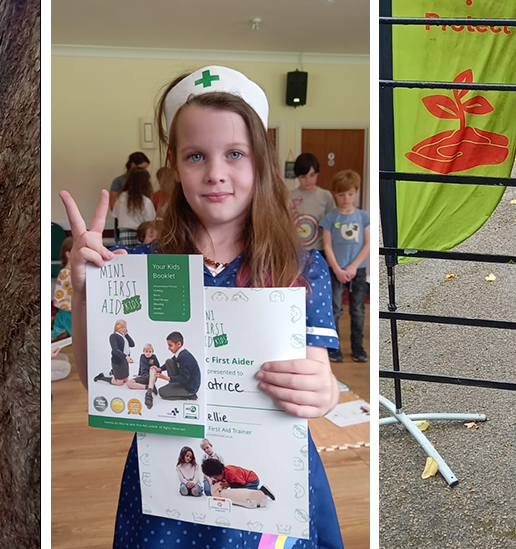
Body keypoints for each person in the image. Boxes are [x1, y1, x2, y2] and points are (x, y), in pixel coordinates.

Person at [60, 64, 343, 548]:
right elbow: (99, 380)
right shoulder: (143, 265)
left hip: (268, 467)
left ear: (261, 160)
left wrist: (327, 391)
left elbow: (317, 376)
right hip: (168, 474)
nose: (215, 173)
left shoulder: (299, 265)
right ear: (173, 163)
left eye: (235, 153)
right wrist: (86, 289)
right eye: (196, 156)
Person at [319, 169, 370, 363]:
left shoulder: (364, 217)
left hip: (357, 270)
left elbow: (368, 244)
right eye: (341, 194)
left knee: (357, 310)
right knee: (335, 309)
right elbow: (327, 246)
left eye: (350, 193)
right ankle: (334, 348)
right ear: (334, 194)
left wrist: (353, 267)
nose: (346, 198)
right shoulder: (330, 219)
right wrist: (338, 270)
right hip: (335, 271)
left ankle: (358, 348)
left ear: (356, 192)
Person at [289, 152, 336, 257]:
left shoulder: (325, 196)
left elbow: (332, 225)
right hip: (295, 251)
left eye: (312, 175)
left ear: (317, 173)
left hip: (319, 251)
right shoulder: (289, 196)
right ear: (297, 176)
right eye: (303, 177)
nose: (308, 180)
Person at [150, 331, 200, 408]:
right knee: (169, 361)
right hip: (184, 381)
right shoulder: (180, 353)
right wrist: (159, 369)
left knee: (162, 392)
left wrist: (167, 378)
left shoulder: (185, 357)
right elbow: (172, 360)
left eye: (170, 345)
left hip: (189, 387)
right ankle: (174, 386)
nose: (168, 348)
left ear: (179, 344)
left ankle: (189, 396)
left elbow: (184, 378)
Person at [112, 167, 156, 247]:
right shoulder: (146, 201)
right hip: (142, 236)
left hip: (123, 236)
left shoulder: (120, 198)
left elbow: (116, 219)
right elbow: (150, 222)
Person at [201, 458, 275, 501]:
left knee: (241, 491)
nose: (215, 479)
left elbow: (241, 483)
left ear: (222, 471)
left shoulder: (232, 473)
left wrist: (229, 484)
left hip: (252, 481)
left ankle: (262, 490)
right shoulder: (222, 472)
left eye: (216, 477)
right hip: (244, 480)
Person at [93, 320, 134, 385]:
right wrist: (126, 357)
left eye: (125, 327)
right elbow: (115, 350)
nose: (124, 329)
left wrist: (127, 335)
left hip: (125, 360)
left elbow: (132, 344)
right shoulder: (113, 336)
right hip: (118, 361)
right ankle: (101, 377)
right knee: (119, 383)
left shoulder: (124, 336)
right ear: (117, 327)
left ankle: (114, 372)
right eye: (122, 327)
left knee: (126, 380)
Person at [51, 237, 75, 340]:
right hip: (67, 313)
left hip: (71, 312)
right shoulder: (65, 273)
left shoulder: (72, 272)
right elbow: (60, 298)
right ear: (68, 254)